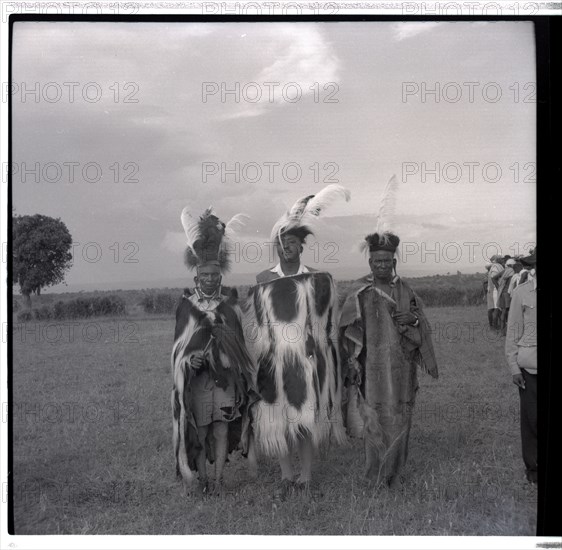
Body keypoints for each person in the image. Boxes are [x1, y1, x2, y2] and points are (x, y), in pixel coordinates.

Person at [247, 184, 350, 496]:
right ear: (276, 247)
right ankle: (285, 473)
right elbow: (258, 324)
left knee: (303, 416)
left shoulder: (317, 279)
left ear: (301, 246)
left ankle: (305, 474)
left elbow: (325, 322)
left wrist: (316, 347)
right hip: (273, 358)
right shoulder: (264, 280)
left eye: (291, 242)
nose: (286, 247)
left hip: (304, 361)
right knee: (277, 415)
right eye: (281, 242)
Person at [339, 231, 438, 487]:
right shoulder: (358, 292)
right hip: (371, 368)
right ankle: (375, 475)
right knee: (374, 418)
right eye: (377, 262)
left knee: (400, 418)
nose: (382, 265)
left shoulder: (406, 289)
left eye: (387, 261)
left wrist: (413, 320)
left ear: (394, 262)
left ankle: (395, 472)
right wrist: (352, 360)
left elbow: (422, 323)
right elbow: (345, 328)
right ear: (370, 263)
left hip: (402, 367)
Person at [171, 207, 257, 495]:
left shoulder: (230, 305)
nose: (209, 279)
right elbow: (179, 348)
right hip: (196, 383)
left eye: (214, 275)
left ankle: (219, 480)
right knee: (200, 429)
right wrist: (188, 361)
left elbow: (243, 346)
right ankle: (204, 479)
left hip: (225, 380)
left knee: (221, 428)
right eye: (204, 275)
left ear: (220, 276)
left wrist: (227, 349)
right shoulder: (186, 306)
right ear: (197, 275)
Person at [505, 249, 537, 485]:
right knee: (532, 419)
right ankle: (534, 470)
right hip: (530, 368)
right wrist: (514, 367)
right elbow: (513, 331)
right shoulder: (522, 293)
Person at [498, 258, 516, 335]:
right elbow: (512, 285)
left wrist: (498, 287)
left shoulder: (504, 271)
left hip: (502, 292)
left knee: (503, 311)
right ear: (513, 265)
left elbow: (494, 278)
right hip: (508, 294)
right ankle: (509, 331)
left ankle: (502, 331)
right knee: (509, 312)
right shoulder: (512, 272)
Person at [487, 255, 505, 330]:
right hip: (495, 290)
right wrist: (499, 288)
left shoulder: (495, 266)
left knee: (494, 308)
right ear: (498, 260)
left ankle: (496, 325)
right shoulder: (496, 267)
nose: (502, 260)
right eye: (501, 259)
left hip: (494, 290)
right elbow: (493, 278)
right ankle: (494, 326)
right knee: (497, 308)